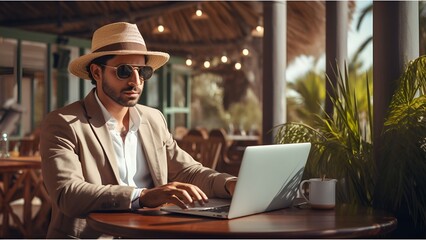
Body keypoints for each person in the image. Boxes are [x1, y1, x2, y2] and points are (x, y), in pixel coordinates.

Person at [39, 22, 237, 239]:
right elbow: (68, 194)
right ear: (97, 72)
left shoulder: (153, 119)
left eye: (143, 72)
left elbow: (187, 171)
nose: (136, 81)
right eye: (124, 71)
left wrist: (229, 184)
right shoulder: (64, 123)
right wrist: (142, 196)